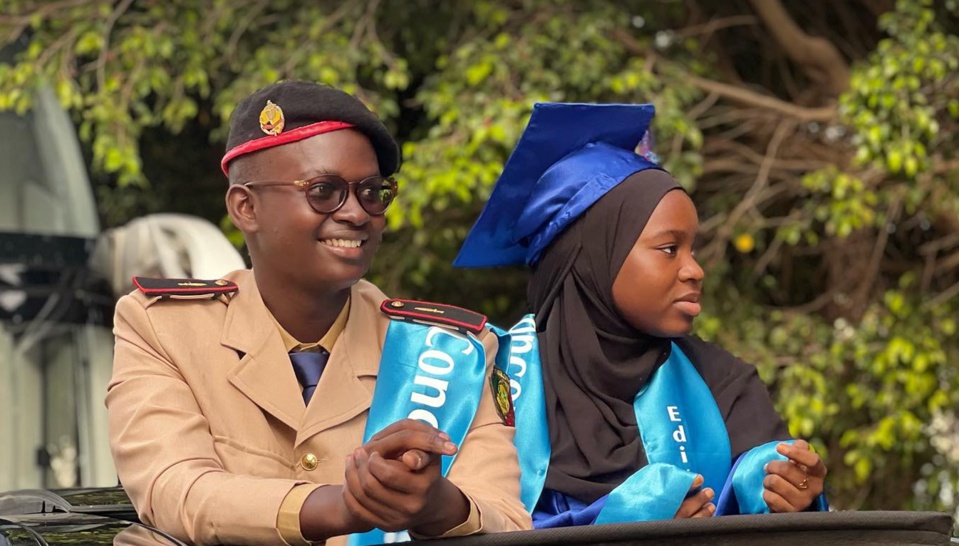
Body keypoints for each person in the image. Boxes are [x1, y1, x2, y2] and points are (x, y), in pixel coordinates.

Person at [106, 80, 531, 546]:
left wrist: (436, 506)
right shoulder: (163, 325)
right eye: (323, 191)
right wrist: (344, 506)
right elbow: (174, 491)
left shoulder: (453, 350)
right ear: (245, 207)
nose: (356, 214)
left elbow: (507, 520)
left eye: (372, 192)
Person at [454, 103, 827, 527]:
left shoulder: (722, 382)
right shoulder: (491, 380)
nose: (695, 270)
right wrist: (623, 522)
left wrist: (787, 488)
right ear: (594, 260)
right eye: (669, 249)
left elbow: (765, 497)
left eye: (692, 249)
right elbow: (471, 524)